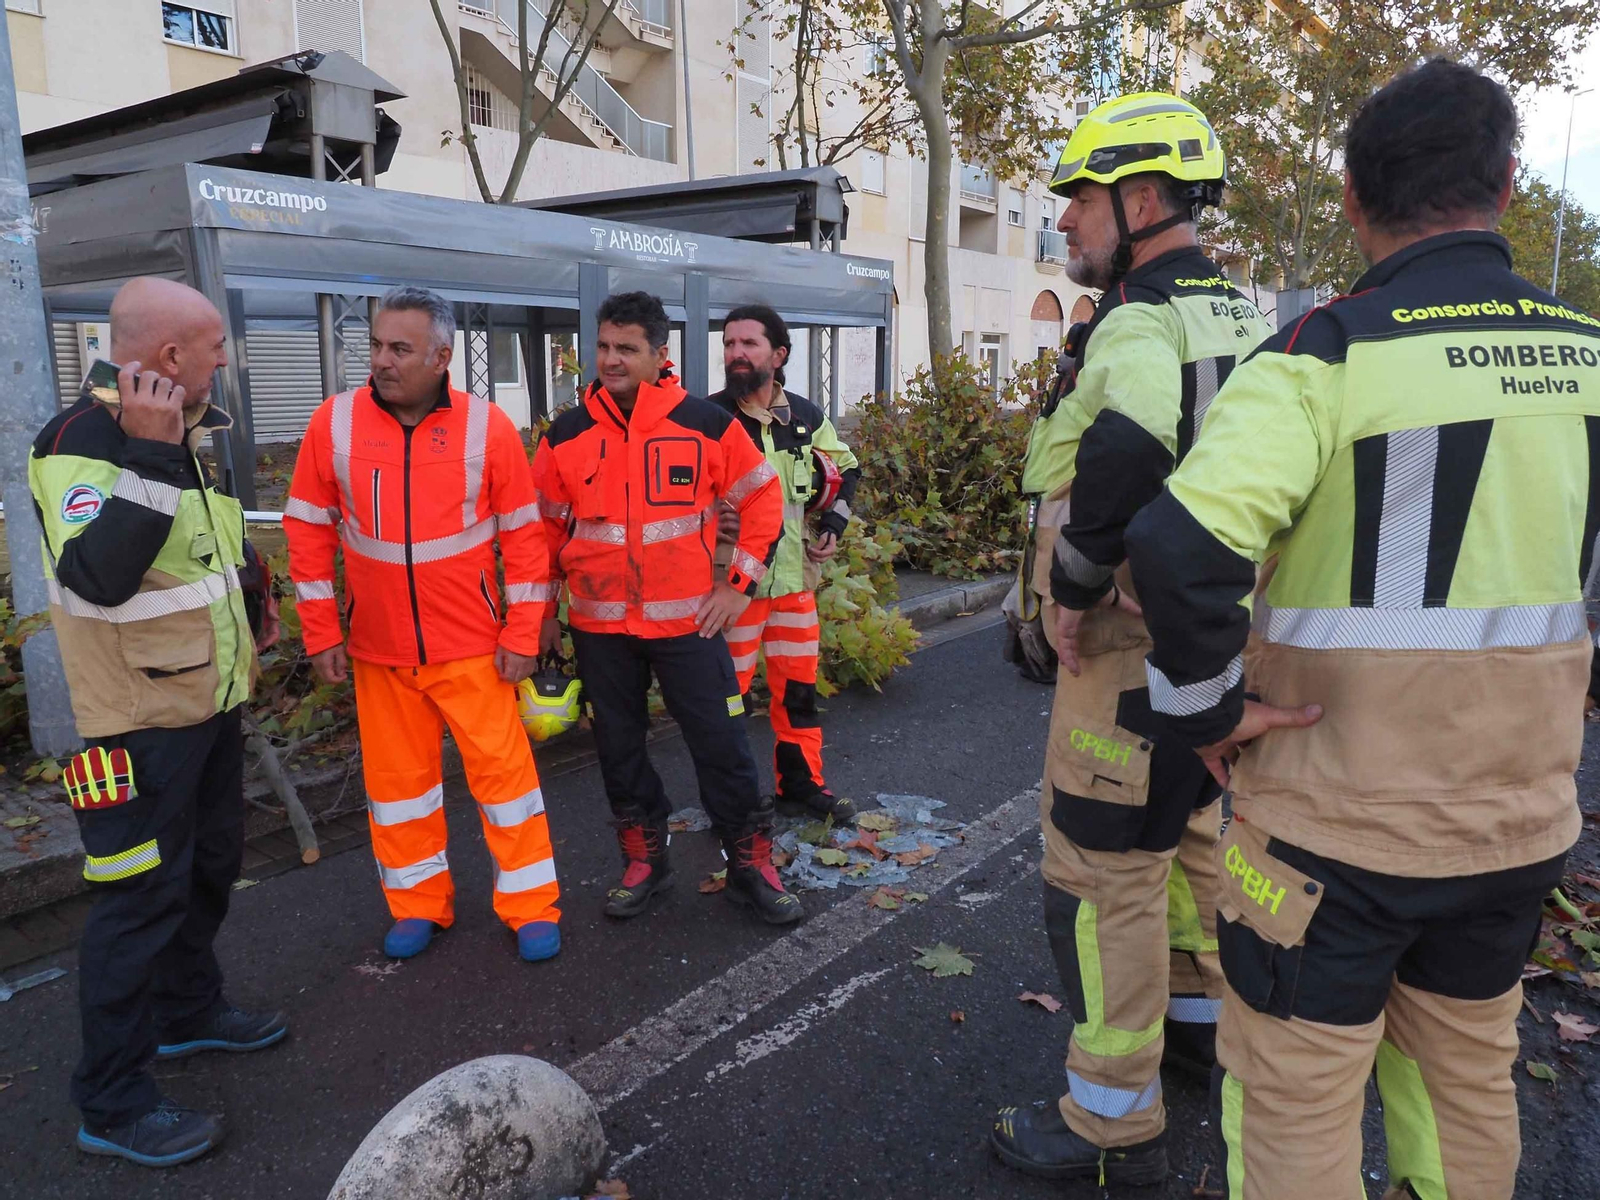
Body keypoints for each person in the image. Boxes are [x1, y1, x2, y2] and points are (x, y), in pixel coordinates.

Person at [1123, 59, 1600, 1199]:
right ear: (1505, 181)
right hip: (1514, 826)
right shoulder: (1590, 364)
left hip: (1330, 832)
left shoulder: (1321, 357)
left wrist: (1207, 713)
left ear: (1349, 196)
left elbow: (1178, 544)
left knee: (1294, 1096)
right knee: (1464, 1082)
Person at [990, 93, 1273, 1186]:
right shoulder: (1249, 319)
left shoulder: (1142, 320)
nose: (1065, 223)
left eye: (1080, 202)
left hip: (1118, 651)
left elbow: (1123, 443)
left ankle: (1109, 1114)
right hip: (1212, 650)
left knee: (1097, 878)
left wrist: (1069, 584)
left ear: (1142, 199)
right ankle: (1195, 1032)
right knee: (1192, 840)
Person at [28, 277, 284, 1167]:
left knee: (208, 867)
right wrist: (148, 454)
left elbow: (193, 551)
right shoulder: (83, 440)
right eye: (215, 345)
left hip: (205, 701)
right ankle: (113, 1100)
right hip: (137, 723)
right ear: (170, 358)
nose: (226, 359)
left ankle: (187, 1012)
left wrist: (253, 585)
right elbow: (99, 576)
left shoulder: (179, 426)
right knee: (136, 902)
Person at [284, 286, 560, 964]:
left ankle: (530, 907)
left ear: (441, 356)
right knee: (398, 790)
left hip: (473, 648)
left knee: (507, 784)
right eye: (375, 346)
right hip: (381, 652)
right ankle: (417, 906)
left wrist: (523, 635)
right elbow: (307, 531)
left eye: (399, 349)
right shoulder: (334, 424)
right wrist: (321, 632)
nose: (381, 360)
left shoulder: (486, 427)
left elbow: (526, 542)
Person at [531, 291, 802, 925]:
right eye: (603, 347)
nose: (611, 360)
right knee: (619, 751)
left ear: (660, 355)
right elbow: (538, 534)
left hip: (688, 624)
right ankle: (645, 862)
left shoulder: (704, 424)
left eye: (626, 348)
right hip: (600, 629)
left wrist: (738, 584)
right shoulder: (567, 435)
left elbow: (763, 502)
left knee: (722, 744)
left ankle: (750, 865)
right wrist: (543, 611)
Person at [707, 304, 861, 824]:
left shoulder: (807, 417)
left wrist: (833, 529)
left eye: (748, 344)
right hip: (733, 589)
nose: (735, 353)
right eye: (729, 344)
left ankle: (801, 784)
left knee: (797, 694)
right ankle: (733, 803)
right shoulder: (708, 419)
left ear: (779, 354)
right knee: (726, 705)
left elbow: (847, 473)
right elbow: (676, 500)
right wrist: (708, 520)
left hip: (795, 585)